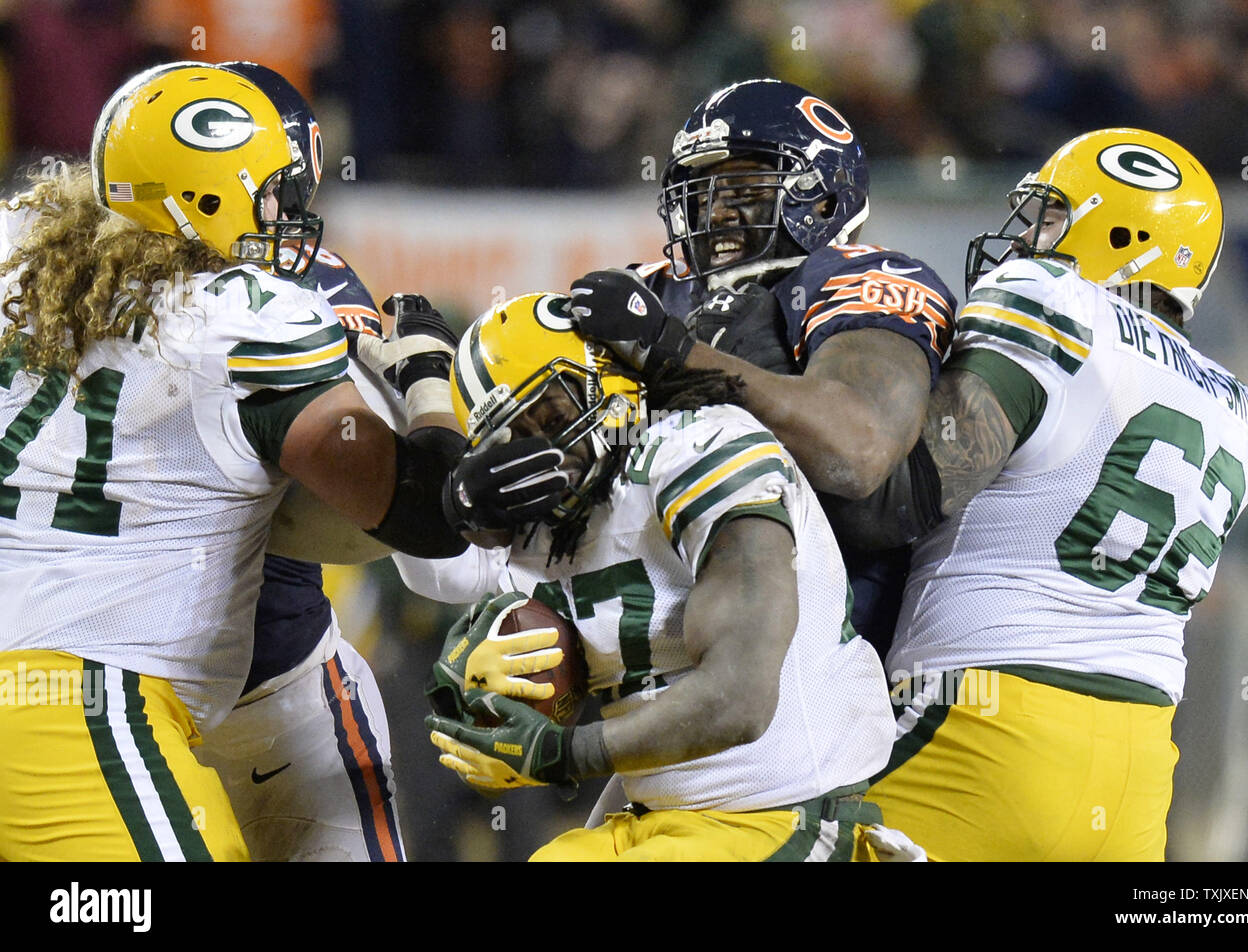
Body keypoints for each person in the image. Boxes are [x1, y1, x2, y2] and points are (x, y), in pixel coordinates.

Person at [0, 62, 540, 861]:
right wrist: (426, 379)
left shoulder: (25, 254)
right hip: (102, 691)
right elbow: (432, 522)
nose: (288, 216)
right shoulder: (255, 314)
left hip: (109, 681)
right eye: (273, 190)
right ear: (211, 190)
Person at [850, 129, 1248, 860]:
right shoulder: (1244, 413)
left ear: (1122, 233)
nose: (1028, 239)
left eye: (1051, 217)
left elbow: (896, 500)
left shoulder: (1057, 305)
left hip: (983, 726)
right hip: (1139, 764)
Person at [421, 291, 920, 862]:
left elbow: (739, 699)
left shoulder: (696, 448)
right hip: (661, 821)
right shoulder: (539, 523)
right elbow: (435, 585)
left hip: (783, 813)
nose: (551, 451)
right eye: (522, 439)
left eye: (556, 416)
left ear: (606, 377)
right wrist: (487, 698)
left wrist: (561, 753)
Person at [566, 78, 958, 658]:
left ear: (822, 200)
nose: (717, 210)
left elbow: (858, 447)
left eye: (745, 186)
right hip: (639, 632)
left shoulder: (855, 275)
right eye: (702, 192)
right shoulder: (648, 296)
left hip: (817, 650)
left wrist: (675, 355)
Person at [184, 60, 403, 862]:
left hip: (273, 681)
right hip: (119, 686)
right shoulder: (89, 287)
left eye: (287, 194)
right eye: (266, 189)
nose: (281, 216)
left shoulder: (312, 285)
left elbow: (376, 463)